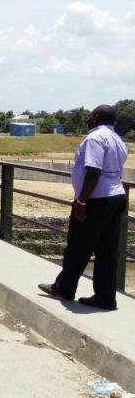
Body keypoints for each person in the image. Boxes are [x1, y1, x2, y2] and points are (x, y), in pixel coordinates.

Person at [39, 106, 128, 310]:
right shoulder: (118, 139)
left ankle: (64, 288)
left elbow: (93, 171)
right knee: (107, 250)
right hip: (116, 196)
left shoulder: (95, 138)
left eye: (90, 116)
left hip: (97, 199)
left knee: (78, 246)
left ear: (95, 117)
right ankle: (105, 297)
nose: (87, 120)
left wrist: (82, 201)